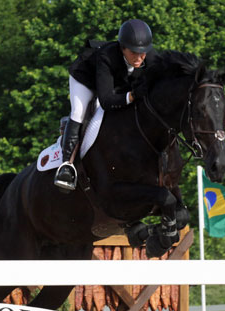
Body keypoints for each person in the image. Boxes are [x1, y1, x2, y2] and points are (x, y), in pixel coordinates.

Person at [54, 19, 154, 191]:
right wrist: (131, 96)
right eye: (134, 53)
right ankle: (67, 166)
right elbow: (106, 101)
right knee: (80, 112)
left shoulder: (150, 57)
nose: (139, 58)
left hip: (114, 83)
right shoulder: (107, 56)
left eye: (142, 53)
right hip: (85, 79)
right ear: (122, 48)